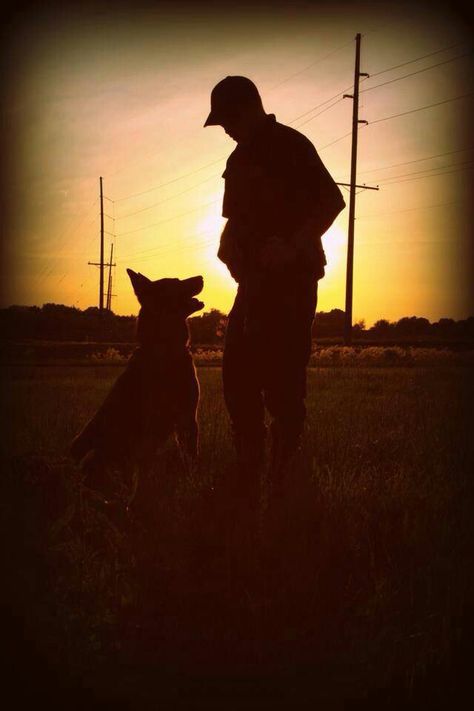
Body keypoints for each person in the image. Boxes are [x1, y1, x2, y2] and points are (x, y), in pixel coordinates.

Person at [204, 75, 345, 498]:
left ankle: (283, 474)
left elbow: (332, 201)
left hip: (290, 283)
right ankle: (250, 464)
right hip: (252, 284)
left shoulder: (291, 145)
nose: (224, 129)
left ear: (248, 108)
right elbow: (235, 221)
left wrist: (290, 246)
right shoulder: (238, 159)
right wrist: (227, 248)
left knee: (283, 382)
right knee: (237, 376)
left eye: (226, 119)